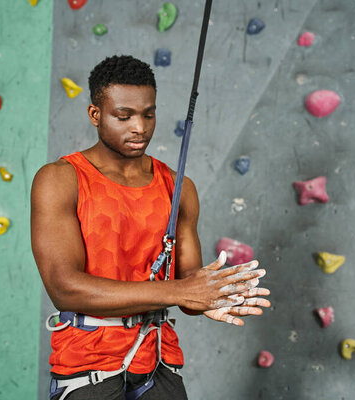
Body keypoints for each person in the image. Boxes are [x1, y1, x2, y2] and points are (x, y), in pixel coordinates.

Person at [31, 55, 270, 400]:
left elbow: (188, 289)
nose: (139, 128)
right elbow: (64, 288)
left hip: (158, 359)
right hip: (87, 363)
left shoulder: (179, 187)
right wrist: (180, 293)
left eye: (149, 114)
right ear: (95, 114)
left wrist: (213, 295)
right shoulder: (60, 179)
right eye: (123, 116)